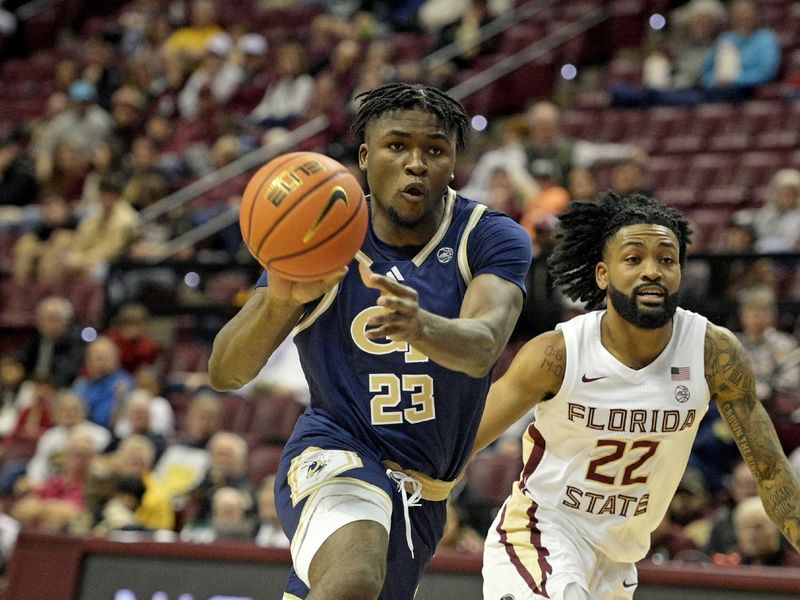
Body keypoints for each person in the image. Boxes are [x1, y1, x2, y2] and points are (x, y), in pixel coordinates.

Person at [208, 82, 531, 600]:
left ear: (453, 164)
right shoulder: (322, 230)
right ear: (364, 156)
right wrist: (280, 299)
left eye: (434, 150)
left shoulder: (488, 237)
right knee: (356, 577)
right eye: (397, 146)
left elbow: (483, 346)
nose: (416, 163)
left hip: (424, 491)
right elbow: (226, 372)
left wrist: (418, 325)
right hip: (335, 451)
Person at [474, 192, 800, 600]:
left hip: (619, 557)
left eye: (667, 260)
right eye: (633, 259)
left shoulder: (711, 352)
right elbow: (464, 440)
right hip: (542, 531)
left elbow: (770, 471)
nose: (653, 271)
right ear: (602, 274)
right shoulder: (558, 353)